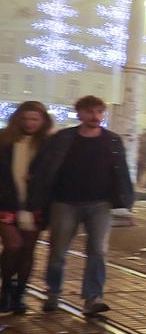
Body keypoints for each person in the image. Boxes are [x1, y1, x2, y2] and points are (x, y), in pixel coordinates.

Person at [32, 95, 133, 316]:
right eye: (90, 112)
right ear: (79, 114)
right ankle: (53, 292)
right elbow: (44, 166)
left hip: (99, 204)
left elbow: (121, 171)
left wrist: (126, 200)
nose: (95, 117)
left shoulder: (112, 140)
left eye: (99, 112)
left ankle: (93, 297)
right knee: (58, 251)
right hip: (65, 202)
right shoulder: (63, 138)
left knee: (98, 250)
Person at [0, 101, 54, 314]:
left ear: (42, 121)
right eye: (25, 118)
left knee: (27, 251)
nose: (29, 123)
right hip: (6, 203)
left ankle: (19, 294)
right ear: (17, 119)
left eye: (34, 119)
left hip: (35, 204)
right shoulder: (4, 139)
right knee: (13, 245)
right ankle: (6, 290)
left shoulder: (48, 144)